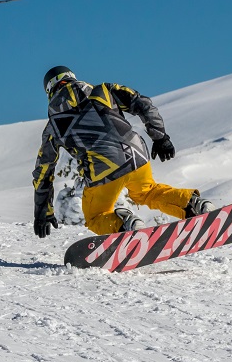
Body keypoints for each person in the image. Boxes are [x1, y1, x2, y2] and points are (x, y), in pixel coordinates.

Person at [32, 65, 214, 238]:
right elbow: (142, 103)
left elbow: (43, 172)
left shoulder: (53, 126)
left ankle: (126, 225)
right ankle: (193, 204)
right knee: (148, 192)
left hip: (102, 168)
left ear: (50, 91)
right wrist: (160, 137)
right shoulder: (103, 90)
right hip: (136, 155)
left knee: (96, 217)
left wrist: (43, 212)